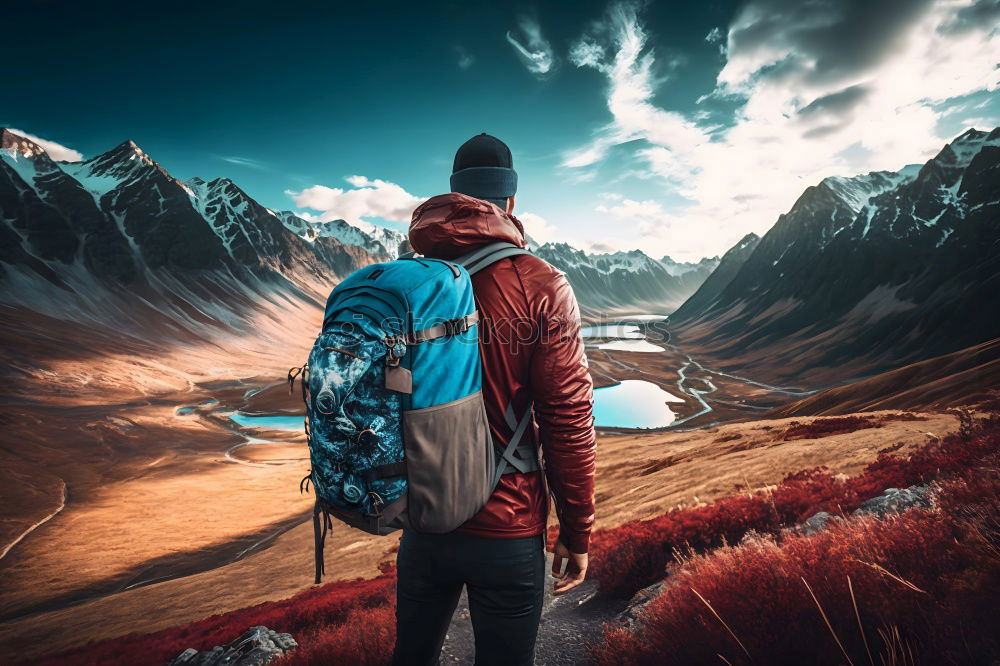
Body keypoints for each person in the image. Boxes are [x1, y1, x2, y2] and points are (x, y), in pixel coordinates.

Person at [392, 133, 597, 665]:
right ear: (510, 202)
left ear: (456, 196)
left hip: (425, 520)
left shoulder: (407, 280)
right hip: (506, 523)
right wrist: (576, 531)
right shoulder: (539, 283)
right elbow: (567, 418)